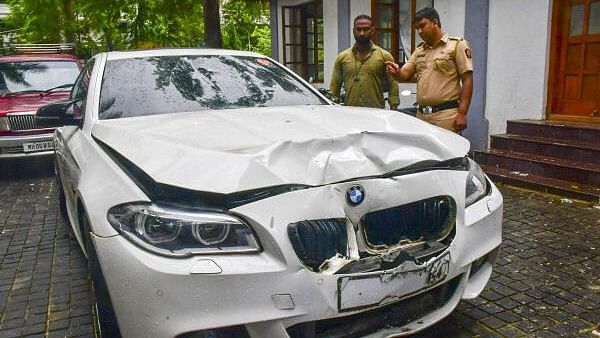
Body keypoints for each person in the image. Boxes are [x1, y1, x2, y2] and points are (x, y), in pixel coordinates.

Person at [386, 7, 473, 133]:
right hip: (422, 116)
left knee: (447, 152)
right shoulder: (420, 50)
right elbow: (404, 74)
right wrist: (396, 72)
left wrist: (462, 113)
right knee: (422, 152)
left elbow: (467, 79)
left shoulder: (457, 45)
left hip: (446, 116)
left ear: (435, 23)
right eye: (417, 29)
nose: (420, 31)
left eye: (422, 26)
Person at [330, 14, 399, 110]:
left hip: (376, 113)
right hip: (350, 113)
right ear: (353, 31)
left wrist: (394, 108)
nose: (362, 33)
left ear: (373, 31)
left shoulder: (385, 56)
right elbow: (334, 88)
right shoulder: (342, 58)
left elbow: (393, 85)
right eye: (358, 29)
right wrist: (333, 111)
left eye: (366, 29)